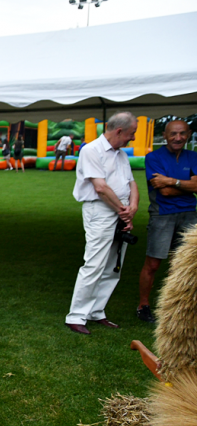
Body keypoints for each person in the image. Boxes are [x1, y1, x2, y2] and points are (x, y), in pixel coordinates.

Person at [65, 112, 140, 335]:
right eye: (131, 133)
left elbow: (132, 183)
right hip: (100, 211)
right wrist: (123, 211)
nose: (132, 138)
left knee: (113, 266)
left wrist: (132, 208)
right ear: (119, 131)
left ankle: (97, 311)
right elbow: (100, 187)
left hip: (119, 211)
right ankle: (76, 316)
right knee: (94, 264)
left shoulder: (121, 155)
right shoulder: (91, 150)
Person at [136, 120, 197, 323]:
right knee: (153, 263)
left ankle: (175, 307)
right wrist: (188, 185)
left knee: (181, 265)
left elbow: (170, 186)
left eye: (182, 133)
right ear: (165, 135)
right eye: (173, 134)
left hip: (189, 214)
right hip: (162, 214)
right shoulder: (154, 157)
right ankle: (143, 305)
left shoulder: (193, 156)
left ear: (188, 134)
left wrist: (171, 180)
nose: (178, 138)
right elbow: (164, 191)